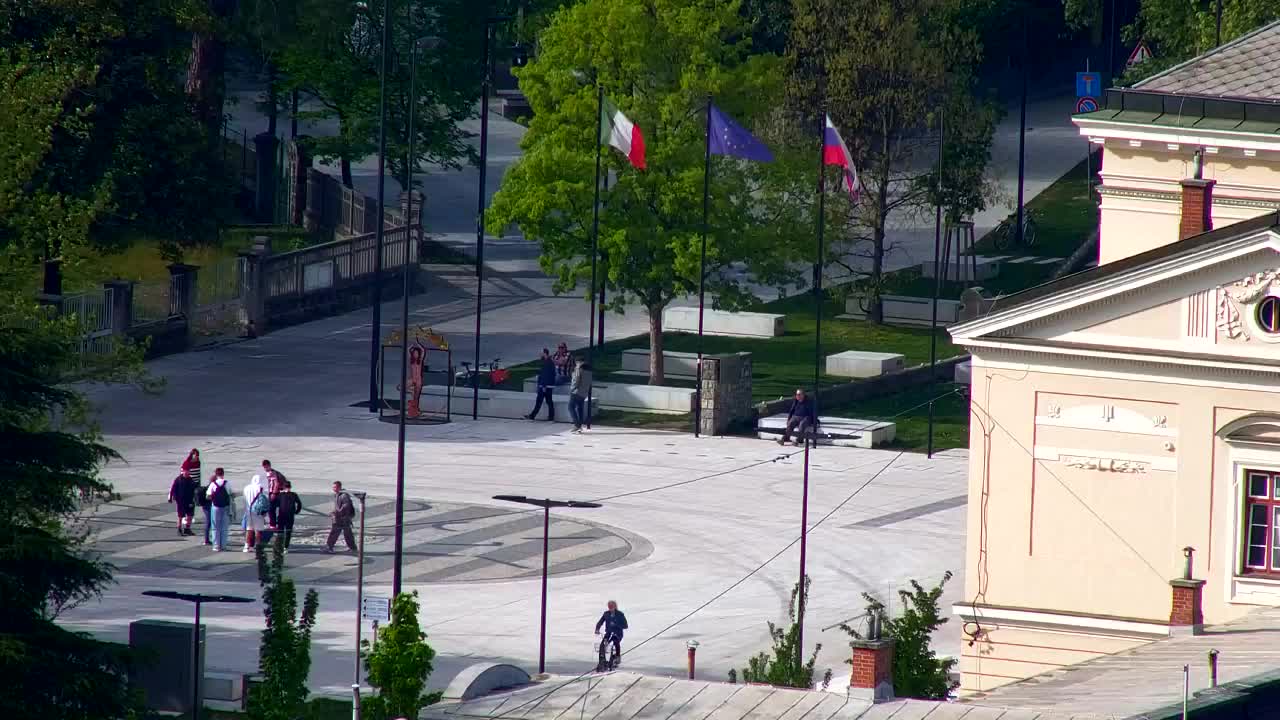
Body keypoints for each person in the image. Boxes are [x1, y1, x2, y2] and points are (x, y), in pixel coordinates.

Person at [325, 481, 357, 553]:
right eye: (333, 487)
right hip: (343, 518)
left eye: (335, 487)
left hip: (343, 518)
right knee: (347, 533)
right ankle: (353, 548)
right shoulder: (338, 495)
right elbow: (338, 506)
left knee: (335, 532)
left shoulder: (344, 495)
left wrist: (337, 512)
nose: (333, 488)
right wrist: (334, 512)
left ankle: (329, 547)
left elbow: (346, 505)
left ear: (339, 487)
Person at [594, 600, 629, 668]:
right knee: (603, 644)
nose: (610, 608)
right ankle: (602, 660)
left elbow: (625, 626)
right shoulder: (606, 614)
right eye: (609, 606)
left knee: (615, 642)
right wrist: (597, 629)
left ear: (615, 606)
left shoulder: (620, 614)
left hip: (618, 633)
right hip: (609, 632)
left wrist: (616, 624)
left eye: (612, 606)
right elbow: (600, 622)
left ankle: (617, 657)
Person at [525, 348, 557, 421]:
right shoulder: (546, 362)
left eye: (541, 353)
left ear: (545, 353)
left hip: (545, 386)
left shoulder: (548, 363)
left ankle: (533, 416)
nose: (540, 354)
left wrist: (543, 386)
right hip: (545, 385)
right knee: (548, 401)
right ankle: (550, 417)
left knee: (541, 401)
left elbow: (547, 375)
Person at [205, 468, 233, 551]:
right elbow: (231, 494)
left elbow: (208, 496)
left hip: (215, 507)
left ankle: (216, 546)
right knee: (224, 527)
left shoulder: (213, 484)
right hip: (225, 507)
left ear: (216, 474)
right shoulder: (226, 483)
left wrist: (214, 497)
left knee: (215, 527)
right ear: (223, 474)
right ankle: (223, 545)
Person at [242, 473, 270, 553]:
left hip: (248, 511)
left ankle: (247, 546)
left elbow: (244, 500)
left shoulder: (246, 488)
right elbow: (264, 501)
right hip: (257, 512)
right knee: (258, 530)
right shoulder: (260, 488)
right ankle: (258, 546)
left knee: (249, 529)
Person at [274, 480, 304, 552]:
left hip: (284, 516)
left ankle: (284, 547)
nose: (287, 488)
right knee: (283, 532)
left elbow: (276, 505)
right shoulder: (292, 495)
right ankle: (283, 546)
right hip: (286, 516)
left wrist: (296, 511)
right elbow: (299, 504)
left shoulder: (282, 495)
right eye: (287, 487)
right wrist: (296, 511)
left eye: (288, 487)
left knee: (285, 532)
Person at [168, 468, 197, 537]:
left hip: (190, 500)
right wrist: (170, 497)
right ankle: (179, 529)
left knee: (190, 515)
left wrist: (195, 498)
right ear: (183, 472)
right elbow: (173, 488)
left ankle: (187, 528)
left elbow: (194, 489)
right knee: (180, 516)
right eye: (186, 472)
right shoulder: (178, 479)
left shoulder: (191, 479)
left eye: (188, 472)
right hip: (181, 501)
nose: (187, 473)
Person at [569, 356, 592, 433]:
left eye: (576, 363)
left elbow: (576, 380)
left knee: (570, 407)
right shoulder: (589, 370)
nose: (576, 364)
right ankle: (580, 426)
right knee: (580, 408)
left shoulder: (579, 369)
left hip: (576, 392)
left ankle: (577, 425)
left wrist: (572, 389)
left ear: (579, 362)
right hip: (584, 392)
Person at [196, 472, 214, 545]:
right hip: (208, 506)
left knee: (209, 522)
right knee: (208, 522)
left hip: (205, 506)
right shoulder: (212, 487)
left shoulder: (209, 486)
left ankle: (207, 539)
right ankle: (206, 540)